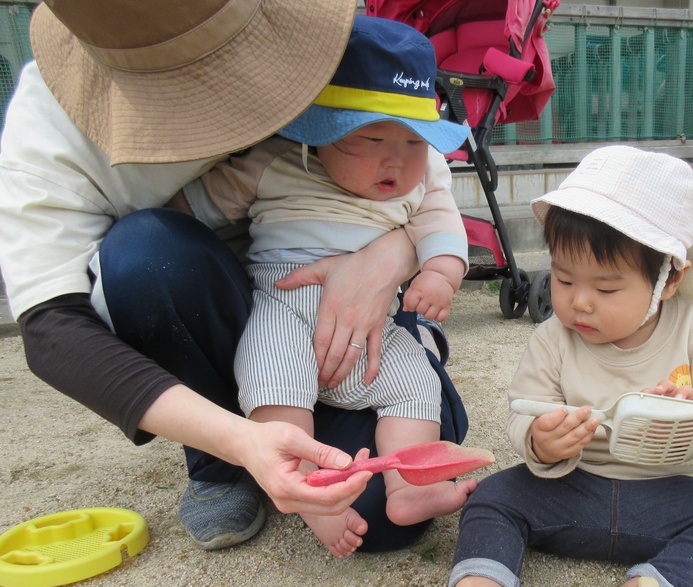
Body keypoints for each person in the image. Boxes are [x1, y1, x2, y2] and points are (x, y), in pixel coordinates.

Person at [0, 1, 467, 553]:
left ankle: (372, 480)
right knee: (148, 253)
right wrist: (237, 440)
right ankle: (225, 464)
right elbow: (54, 330)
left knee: (379, 514)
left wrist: (393, 257)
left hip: (365, 327)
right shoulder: (50, 130)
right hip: (255, 305)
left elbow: (422, 182)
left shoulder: (329, 50)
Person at [418, 146, 693, 587]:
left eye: (606, 288)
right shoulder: (553, 339)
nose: (580, 303)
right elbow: (522, 409)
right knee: (491, 498)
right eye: (562, 280)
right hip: (573, 489)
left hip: (668, 494)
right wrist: (541, 440)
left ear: (668, 280)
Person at [181, 16, 475, 557]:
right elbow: (192, 209)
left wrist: (439, 273)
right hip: (285, 305)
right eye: (371, 137)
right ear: (321, 131)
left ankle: (411, 488)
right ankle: (315, 495)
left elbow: (443, 226)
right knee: (274, 380)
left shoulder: (428, 175)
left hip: (374, 332)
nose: (397, 159)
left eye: (415, 141)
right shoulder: (275, 161)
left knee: (415, 382)